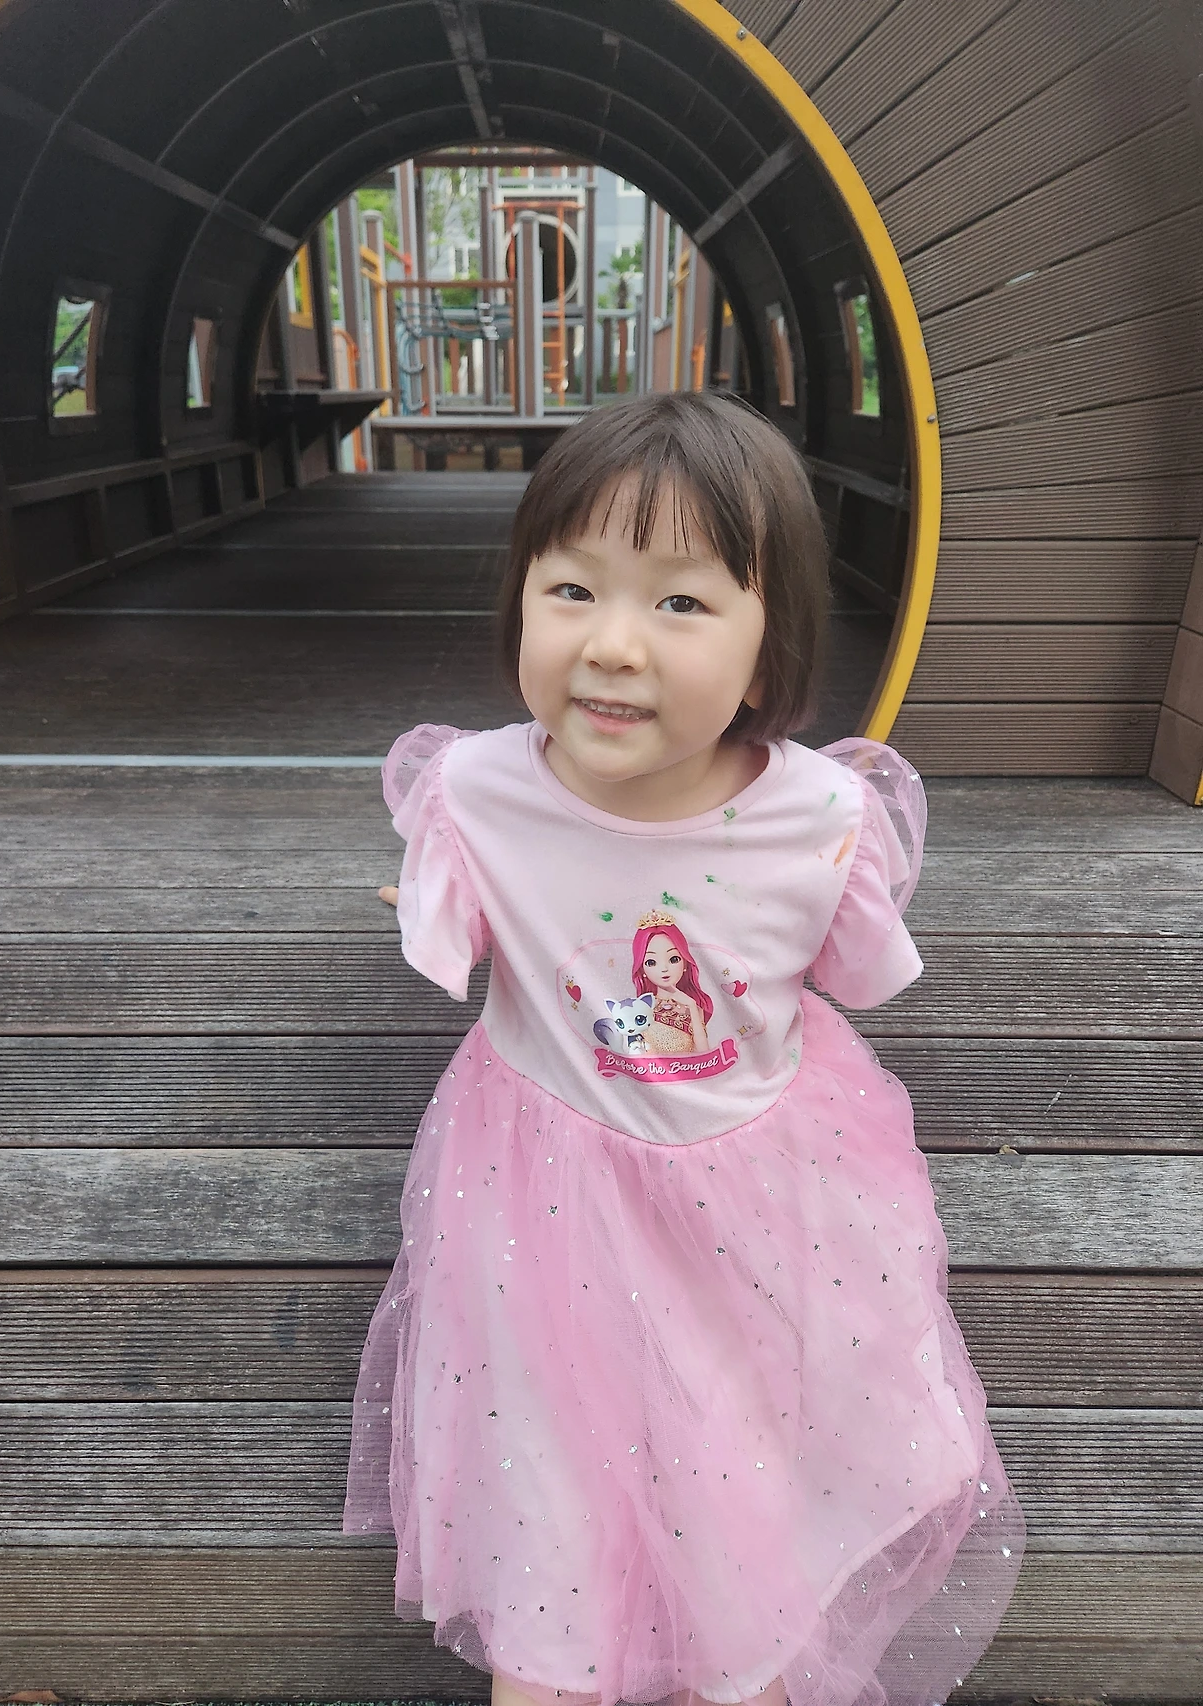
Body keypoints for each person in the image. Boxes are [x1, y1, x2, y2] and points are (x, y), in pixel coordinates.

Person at [343, 392, 1024, 1706]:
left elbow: (851, 978)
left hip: (764, 1224)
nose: (612, 644)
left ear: (771, 653)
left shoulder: (823, 816)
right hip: (539, 1217)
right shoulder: (475, 794)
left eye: (680, 602)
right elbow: (464, 919)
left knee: (747, 1500)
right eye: (572, 589)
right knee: (550, 1509)